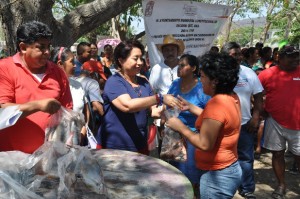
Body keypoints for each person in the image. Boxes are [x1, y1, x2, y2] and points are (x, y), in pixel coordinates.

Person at [166, 52, 242, 199]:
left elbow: (205, 144)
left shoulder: (216, 105)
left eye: (203, 77)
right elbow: (219, 122)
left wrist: (180, 127)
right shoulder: (231, 97)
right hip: (228, 168)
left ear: (214, 81)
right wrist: (191, 107)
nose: (200, 81)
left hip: (216, 176)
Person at [96, 39, 180, 155]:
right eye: (135, 58)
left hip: (139, 144)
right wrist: (160, 97)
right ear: (121, 60)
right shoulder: (114, 82)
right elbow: (127, 105)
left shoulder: (143, 82)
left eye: (141, 58)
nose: (140, 62)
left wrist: (173, 105)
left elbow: (153, 111)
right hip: (115, 146)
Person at [0, 21, 73, 153]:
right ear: (23, 47)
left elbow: (67, 112)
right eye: (41, 47)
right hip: (10, 159)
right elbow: (3, 112)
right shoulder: (5, 68)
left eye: (49, 47)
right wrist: (38, 106)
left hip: (48, 159)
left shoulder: (57, 72)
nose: (47, 52)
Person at [222, 42, 264, 199]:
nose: (239, 57)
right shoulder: (217, 73)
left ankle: (247, 189)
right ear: (225, 56)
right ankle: (226, 188)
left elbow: (259, 96)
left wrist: (255, 117)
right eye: (234, 54)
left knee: (246, 159)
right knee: (223, 158)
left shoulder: (248, 73)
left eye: (239, 54)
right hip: (222, 126)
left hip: (245, 125)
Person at [258, 45, 300, 199]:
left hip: (298, 125)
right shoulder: (267, 74)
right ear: (279, 58)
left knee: (298, 155)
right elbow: (255, 92)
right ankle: (281, 185)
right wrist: (260, 109)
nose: (296, 59)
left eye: (297, 56)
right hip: (274, 121)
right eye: (291, 56)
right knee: (277, 154)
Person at [167, 54, 210, 198]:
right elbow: (167, 105)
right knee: (174, 174)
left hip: (193, 138)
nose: (179, 68)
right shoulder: (175, 84)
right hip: (173, 136)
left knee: (191, 176)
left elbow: (210, 115)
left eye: (183, 65)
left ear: (194, 68)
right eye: (178, 65)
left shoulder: (201, 88)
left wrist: (191, 108)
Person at [149, 34, 185, 153]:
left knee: (184, 152)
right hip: (163, 117)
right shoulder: (156, 69)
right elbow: (152, 93)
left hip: (184, 116)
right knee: (167, 153)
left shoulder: (184, 67)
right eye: (167, 50)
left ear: (177, 51)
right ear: (163, 53)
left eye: (173, 50)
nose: (170, 52)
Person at [50, 47, 89, 143]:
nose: (75, 66)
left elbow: (85, 112)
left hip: (77, 142)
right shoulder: (49, 88)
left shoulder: (78, 86)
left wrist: (83, 132)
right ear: (60, 64)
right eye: (72, 62)